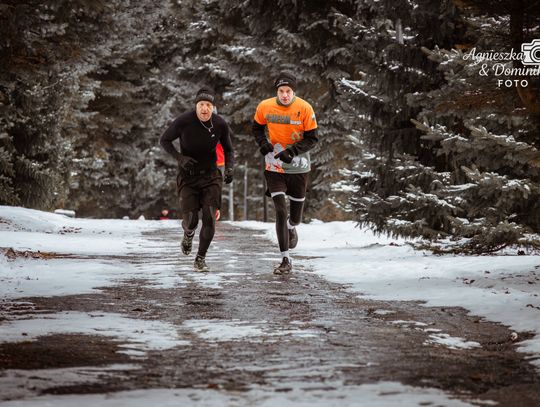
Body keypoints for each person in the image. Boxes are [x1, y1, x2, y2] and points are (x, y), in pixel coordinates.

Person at [160, 87, 234, 272]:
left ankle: (200, 258)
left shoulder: (219, 124)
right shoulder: (184, 121)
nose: (205, 108)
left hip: (211, 176)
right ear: (196, 106)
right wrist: (180, 158)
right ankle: (188, 233)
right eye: (201, 104)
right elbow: (164, 140)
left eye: (208, 105)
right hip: (188, 176)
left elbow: (228, 149)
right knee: (192, 220)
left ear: (212, 107)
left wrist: (229, 168)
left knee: (209, 217)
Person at [252, 72, 318, 274]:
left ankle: (292, 226)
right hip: (274, 165)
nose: (285, 95)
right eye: (281, 91)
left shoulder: (305, 108)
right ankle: (285, 259)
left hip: (298, 166)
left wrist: (292, 151)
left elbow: (312, 138)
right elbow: (257, 128)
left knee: (295, 217)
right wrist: (263, 143)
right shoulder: (265, 106)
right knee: (280, 210)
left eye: (288, 91)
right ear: (277, 91)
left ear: (293, 91)